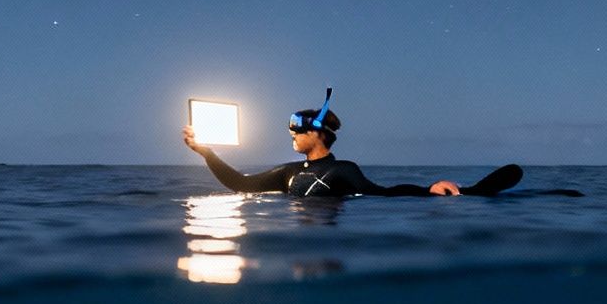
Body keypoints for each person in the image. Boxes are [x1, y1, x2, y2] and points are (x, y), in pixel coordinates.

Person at [182, 104, 462, 197]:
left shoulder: (342, 170)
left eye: (297, 131)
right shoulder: (288, 173)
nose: (291, 135)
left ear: (316, 133)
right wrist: (206, 153)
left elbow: (384, 193)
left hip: (329, 251)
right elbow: (240, 184)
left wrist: (429, 191)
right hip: (297, 255)